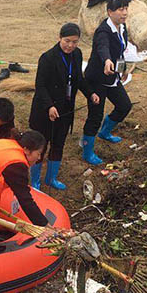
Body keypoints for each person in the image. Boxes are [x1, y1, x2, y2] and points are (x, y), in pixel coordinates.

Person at [29, 22, 100, 189]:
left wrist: (91, 93)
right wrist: (49, 107)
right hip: (45, 110)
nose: (70, 45)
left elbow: (79, 79)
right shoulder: (47, 58)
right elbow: (40, 86)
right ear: (60, 38)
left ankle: (51, 178)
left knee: (59, 143)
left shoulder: (77, 55)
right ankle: (34, 181)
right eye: (67, 41)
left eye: (74, 42)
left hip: (65, 109)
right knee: (41, 144)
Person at [81, 0, 133, 165]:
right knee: (95, 116)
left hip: (112, 76)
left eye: (126, 8)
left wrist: (121, 70)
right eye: (120, 9)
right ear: (110, 12)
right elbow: (102, 47)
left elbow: (121, 51)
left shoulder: (122, 27)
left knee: (124, 105)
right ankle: (87, 151)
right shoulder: (103, 31)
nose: (124, 13)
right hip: (96, 79)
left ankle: (105, 132)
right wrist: (107, 60)